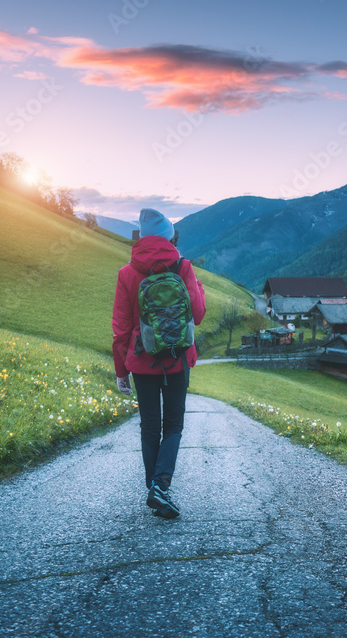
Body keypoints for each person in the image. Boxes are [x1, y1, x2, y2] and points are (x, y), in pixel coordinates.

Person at [112, 208, 206, 519]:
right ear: (169, 236)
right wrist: (199, 289)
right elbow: (199, 314)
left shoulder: (127, 273)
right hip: (178, 360)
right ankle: (161, 487)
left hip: (141, 361)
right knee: (174, 426)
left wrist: (121, 370)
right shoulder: (183, 267)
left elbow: (122, 327)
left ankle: (155, 487)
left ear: (140, 236)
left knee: (149, 427)